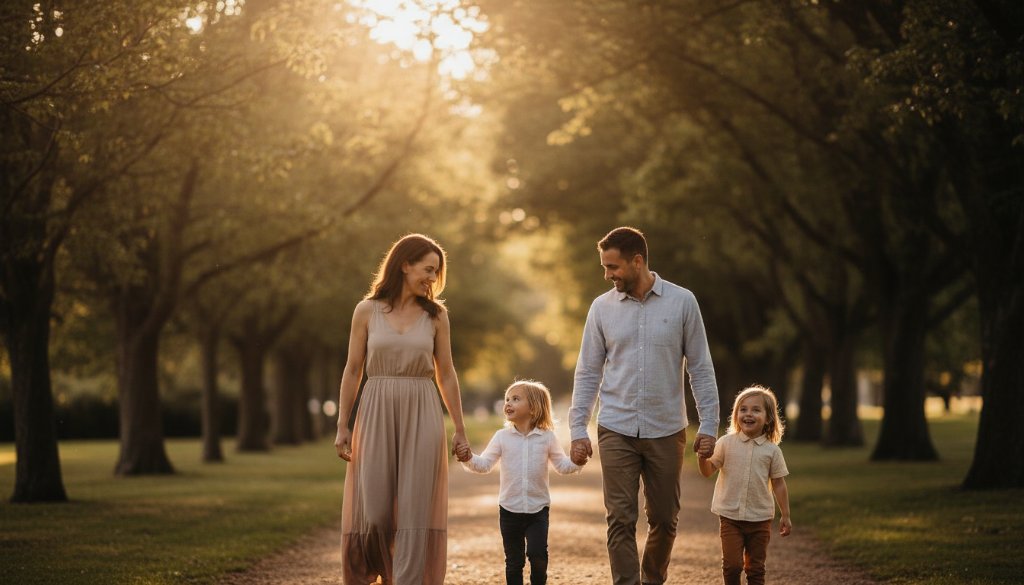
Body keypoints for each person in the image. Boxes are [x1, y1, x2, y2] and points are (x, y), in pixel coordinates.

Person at [569, 226, 720, 585]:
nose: (608, 275)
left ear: (637, 261)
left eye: (613, 267)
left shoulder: (683, 302)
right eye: (605, 268)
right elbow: (588, 371)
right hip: (615, 427)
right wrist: (578, 429)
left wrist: (710, 425)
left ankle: (652, 579)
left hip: (666, 428)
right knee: (620, 518)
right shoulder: (601, 308)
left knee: (665, 520)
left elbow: (700, 367)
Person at [334, 233, 471, 585]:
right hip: (376, 407)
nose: (432, 277)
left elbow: (447, 372)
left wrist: (459, 427)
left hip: (422, 408)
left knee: (414, 510)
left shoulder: (437, 315)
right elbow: (353, 369)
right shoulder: (366, 311)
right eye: (428, 268)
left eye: (437, 271)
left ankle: (409, 579)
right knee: (376, 512)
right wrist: (342, 425)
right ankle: (377, 572)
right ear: (404, 264)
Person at [456, 380, 582, 585]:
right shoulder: (502, 437)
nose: (508, 403)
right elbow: (485, 464)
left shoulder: (547, 438)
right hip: (509, 510)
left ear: (533, 407)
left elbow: (562, 466)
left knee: (538, 556)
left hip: (538, 511)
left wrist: (577, 461)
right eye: (507, 399)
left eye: (515, 399)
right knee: (514, 561)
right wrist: (468, 458)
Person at [697, 385, 791, 585]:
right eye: (743, 409)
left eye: (756, 410)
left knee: (755, 569)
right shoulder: (725, 443)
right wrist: (701, 457)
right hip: (730, 517)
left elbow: (779, 483)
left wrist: (786, 514)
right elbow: (707, 471)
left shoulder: (772, 451)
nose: (748, 414)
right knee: (732, 566)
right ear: (736, 414)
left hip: (760, 519)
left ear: (768, 418)